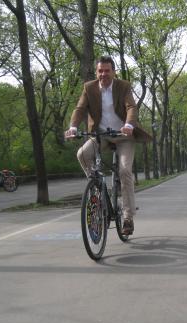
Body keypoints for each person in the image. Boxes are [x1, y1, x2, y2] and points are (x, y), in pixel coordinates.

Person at [65, 56, 152, 235]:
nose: (103, 74)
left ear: (113, 71)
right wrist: (73, 127)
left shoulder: (123, 86)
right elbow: (80, 108)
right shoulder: (89, 88)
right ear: (97, 72)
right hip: (101, 135)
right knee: (82, 154)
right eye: (100, 71)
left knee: (125, 171)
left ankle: (128, 217)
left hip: (123, 135)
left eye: (107, 70)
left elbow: (131, 107)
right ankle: (96, 186)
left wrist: (129, 125)